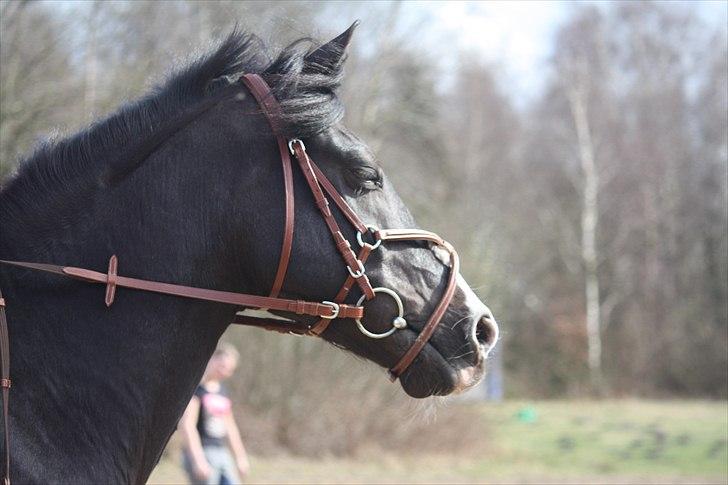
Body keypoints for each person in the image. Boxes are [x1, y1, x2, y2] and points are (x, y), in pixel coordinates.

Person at [180, 343, 251, 485]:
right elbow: (188, 426)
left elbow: (230, 427)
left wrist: (240, 457)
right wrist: (198, 459)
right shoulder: (196, 390)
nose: (224, 372)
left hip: (221, 452)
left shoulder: (222, 392)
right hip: (203, 452)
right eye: (222, 366)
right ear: (212, 359)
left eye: (229, 369)